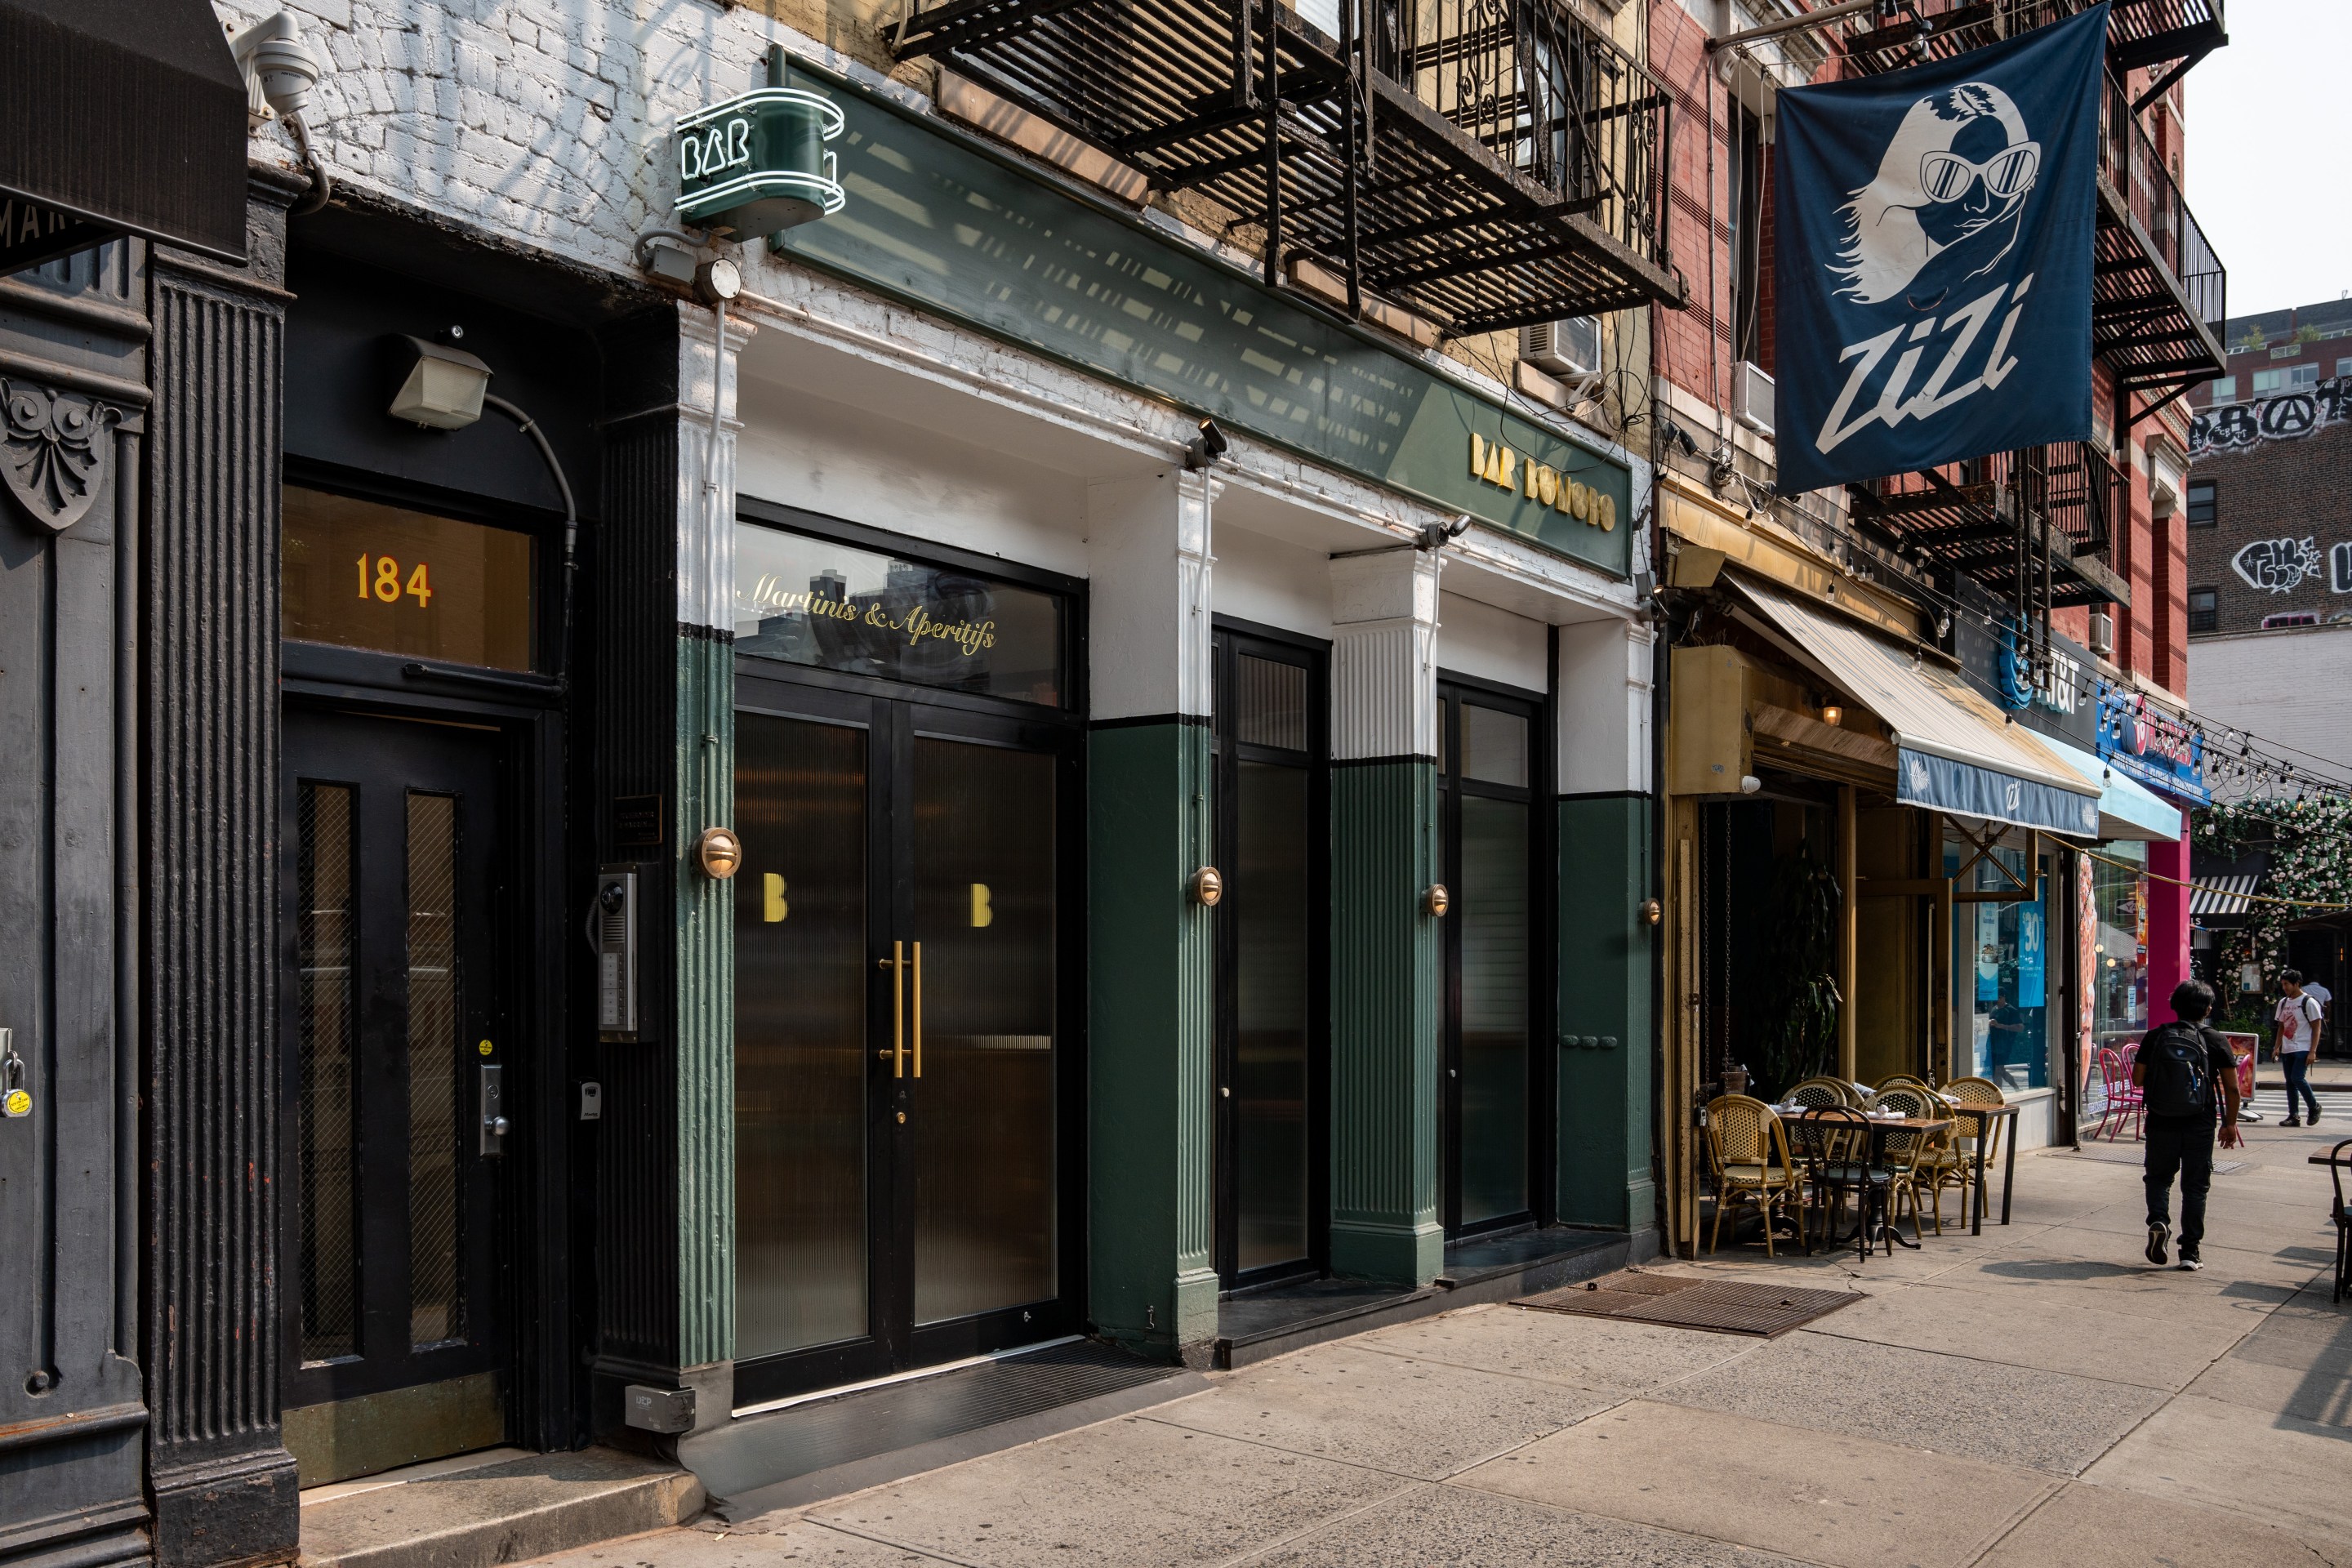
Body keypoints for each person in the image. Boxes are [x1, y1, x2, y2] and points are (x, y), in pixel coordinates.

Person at [2134, 979, 2243, 1271]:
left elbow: (2138, 1079)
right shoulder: (2216, 1039)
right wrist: (2230, 1124)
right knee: (2195, 1187)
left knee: (2158, 1178)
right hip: (2200, 1122)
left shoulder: (2156, 1036)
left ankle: (2159, 1220)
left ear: (2174, 1006)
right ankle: (2190, 1253)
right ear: (2207, 1009)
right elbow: (2233, 1089)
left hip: (2160, 1118)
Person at [2277, 971, 2323, 1126]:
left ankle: (2314, 1106)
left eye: (2287, 984)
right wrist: (2277, 1046)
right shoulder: (2283, 1002)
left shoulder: (2309, 1002)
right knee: (2290, 1082)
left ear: (2297, 984)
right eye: (2283, 984)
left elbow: (2317, 1027)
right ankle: (2293, 1115)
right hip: (2287, 1047)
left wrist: (2313, 1051)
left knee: (2297, 1078)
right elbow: (2281, 1026)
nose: (2284, 987)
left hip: (2303, 1046)